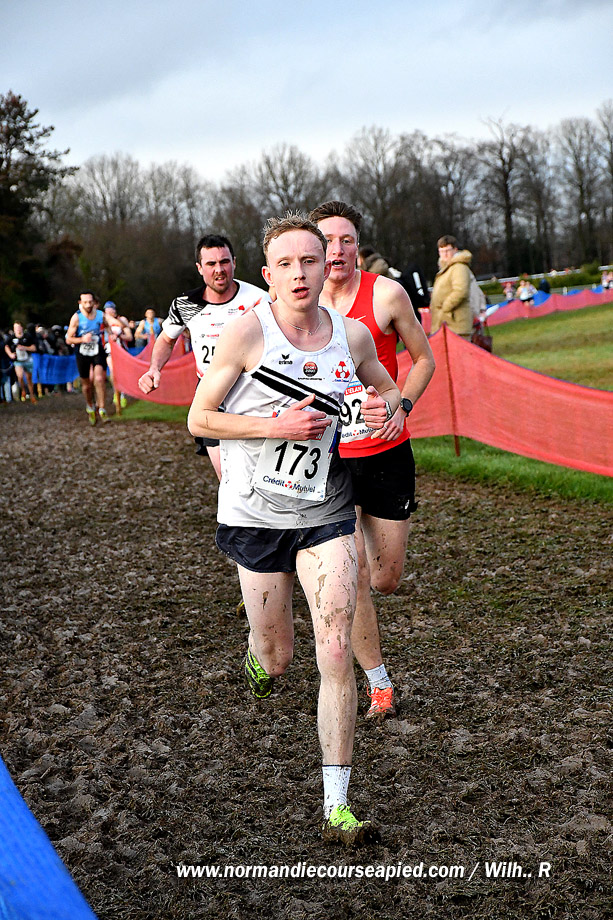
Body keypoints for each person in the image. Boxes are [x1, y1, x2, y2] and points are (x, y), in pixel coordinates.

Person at [188, 213, 401, 844]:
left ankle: (338, 804)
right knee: (277, 657)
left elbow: (387, 391)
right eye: (285, 264)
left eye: (310, 260)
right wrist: (273, 426)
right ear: (267, 274)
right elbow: (200, 419)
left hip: (326, 511)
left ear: (324, 264)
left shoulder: (351, 335)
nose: (300, 273)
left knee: (333, 650)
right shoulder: (245, 334)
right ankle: (259, 658)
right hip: (255, 515)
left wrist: (382, 413)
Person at [309, 200, 435, 720]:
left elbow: (423, 358)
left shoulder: (386, 294)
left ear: (358, 246)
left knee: (385, 578)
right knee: (353, 574)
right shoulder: (299, 303)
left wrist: (403, 407)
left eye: (346, 240)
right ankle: (378, 681)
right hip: (329, 458)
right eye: (326, 241)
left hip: (385, 451)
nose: (336, 250)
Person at [138, 234, 271, 479]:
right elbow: (166, 339)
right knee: (227, 477)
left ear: (234, 262)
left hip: (250, 390)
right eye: (211, 264)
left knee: (259, 472)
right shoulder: (186, 304)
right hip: (210, 394)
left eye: (224, 262)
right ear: (200, 268)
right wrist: (154, 368)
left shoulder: (259, 299)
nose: (219, 270)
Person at [65, 291, 111, 425]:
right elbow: (69, 339)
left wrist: (111, 334)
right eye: (85, 302)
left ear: (94, 302)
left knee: (99, 379)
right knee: (86, 385)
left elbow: (108, 326)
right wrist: (82, 339)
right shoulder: (76, 317)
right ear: (80, 303)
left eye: (90, 302)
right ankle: (90, 406)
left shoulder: (100, 315)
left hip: (97, 349)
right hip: (82, 351)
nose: (88, 305)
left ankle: (102, 408)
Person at [429, 235, 474, 339]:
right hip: (446, 324)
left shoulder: (459, 267)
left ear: (455, 249)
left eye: (447, 250)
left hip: (456, 325)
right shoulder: (446, 268)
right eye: (441, 251)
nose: (444, 254)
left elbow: (461, 291)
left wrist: (445, 308)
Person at [103, 301, 133, 410]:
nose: (110, 312)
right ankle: (116, 393)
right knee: (113, 372)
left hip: (122, 350)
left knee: (122, 372)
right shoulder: (103, 320)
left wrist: (119, 336)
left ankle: (123, 393)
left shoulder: (122, 320)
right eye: (107, 310)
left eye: (111, 309)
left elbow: (129, 337)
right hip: (109, 350)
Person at [4, 322, 37, 403]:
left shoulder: (27, 336)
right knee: (20, 376)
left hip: (27, 359)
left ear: (22, 328)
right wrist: (10, 354)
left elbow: (34, 348)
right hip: (18, 361)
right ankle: (23, 390)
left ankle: (31, 395)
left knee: (29, 378)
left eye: (18, 327)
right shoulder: (11, 338)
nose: (17, 329)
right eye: (15, 328)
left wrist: (25, 348)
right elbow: (6, 346)